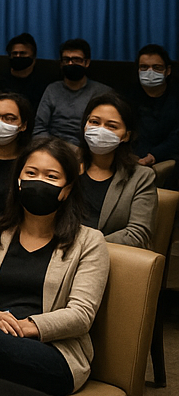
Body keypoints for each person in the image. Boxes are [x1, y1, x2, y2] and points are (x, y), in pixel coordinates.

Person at [0, 136, 110, 396]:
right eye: (31, 173)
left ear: (67, 188)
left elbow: (81, 314)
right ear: (18, 181)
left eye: (51, 176)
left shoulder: (89, 242)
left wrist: (25, 326)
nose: (39, 182)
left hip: (54, 354)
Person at [78, 94, 156, 248]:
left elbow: (138, 234)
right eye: (94, 122)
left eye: (111, 126)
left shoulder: (141, 177)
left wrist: (86, 246)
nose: (100, 130)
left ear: (126, 136)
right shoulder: (65, 164)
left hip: (107, 256)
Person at [34, 39, 114, 141]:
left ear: (87, 62)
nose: (71, 63)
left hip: (88, 149)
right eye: (66, 60)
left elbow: (107, 130)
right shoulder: (52, 89)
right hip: (53, 148)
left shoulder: (103, 92)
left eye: (76, 60)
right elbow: (39, 127)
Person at [132, 45, 178, 171]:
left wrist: (154, 155)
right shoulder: (127, 97)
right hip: (133, 158)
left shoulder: (175, 96)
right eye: (144, 67)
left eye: (157, 67)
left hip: (170, 158)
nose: (150, 72)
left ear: (167, 70)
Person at [0, 33, 53, 112]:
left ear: (33, 56)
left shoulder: (43, 82)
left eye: (23, 53)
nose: (18, 56)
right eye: (14, 53)